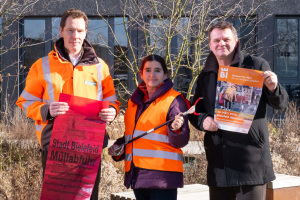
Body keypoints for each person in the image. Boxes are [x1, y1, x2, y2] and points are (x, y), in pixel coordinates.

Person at [16, 8, 120, 199]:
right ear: (61, 31)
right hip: (54, 145)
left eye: (80, 31)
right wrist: (47, 109)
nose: (75, 35)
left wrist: (112, 111)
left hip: (89, 147)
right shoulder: (42, 65)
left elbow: (112, 102)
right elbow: (25, 102)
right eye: (70, 30)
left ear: (85, 33)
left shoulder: (100, 67)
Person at [189, 21, 289, 200]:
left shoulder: (256, 66)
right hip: (219, 165)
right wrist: (203, 120)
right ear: (210, 44)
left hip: (251, 163)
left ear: (236, 42)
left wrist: (274, 88)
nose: (221, 43)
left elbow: (281, 104)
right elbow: (195, 109)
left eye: (226, 39)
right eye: (216, 40)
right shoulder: (205, 75)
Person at [108, 55, 190, 200]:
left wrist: (177, 129)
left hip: (162, 179)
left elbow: (181, 141)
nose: (152, 74)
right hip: (137, 176)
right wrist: (119, 147)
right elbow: (133, 136)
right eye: (148, 70)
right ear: (141, 74)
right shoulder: (134, 102)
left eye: (157, 70)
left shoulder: (175, 101)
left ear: (165, 74)